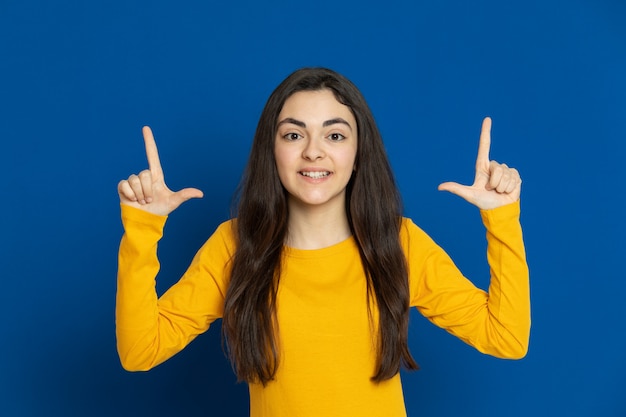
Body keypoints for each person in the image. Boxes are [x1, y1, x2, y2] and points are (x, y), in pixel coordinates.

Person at [116, 67, 530, 417]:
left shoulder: (398, 243)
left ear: (357, 150)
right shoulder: (236, 246)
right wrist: (143, 228)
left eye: (334, 136)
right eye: (294, 136)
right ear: (271, 149)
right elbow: (140, 350)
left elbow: (506, 337)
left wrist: (502, 217)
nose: (314, 152)